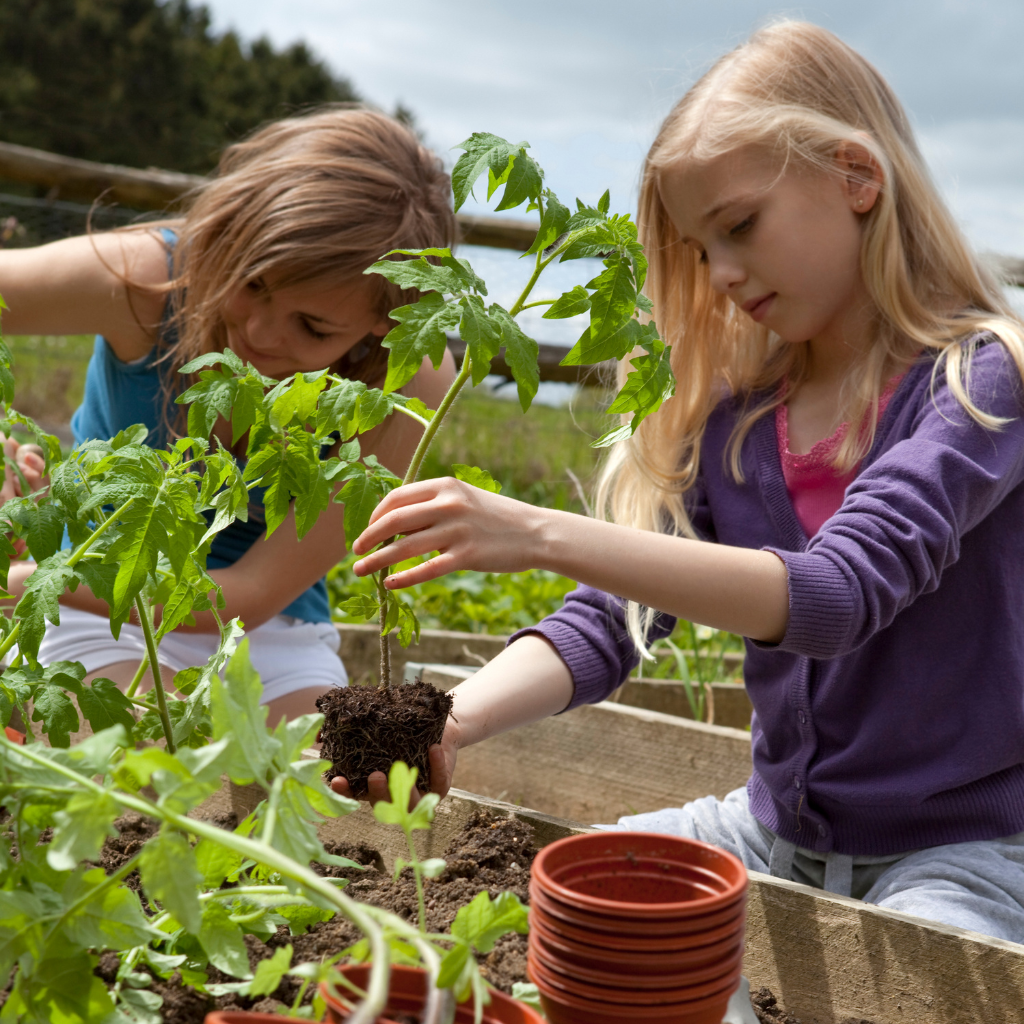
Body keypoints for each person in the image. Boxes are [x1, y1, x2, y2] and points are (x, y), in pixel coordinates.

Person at [335, 22, 1024, 941]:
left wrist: (536, 531)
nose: (725, 276)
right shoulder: (738, 422)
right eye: (702, 251)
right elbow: (607, 622)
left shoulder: (978, 386)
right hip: (771, 830)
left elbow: (838, 596)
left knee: (917, 978)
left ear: (858, 177)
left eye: (739, 226)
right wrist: (453, 722)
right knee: (568, 915)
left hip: (967, 857)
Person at [0, 106, 457, 725]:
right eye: (254, 283)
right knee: (149, 761)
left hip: (263, 626)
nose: (261, 332)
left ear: (384, 322)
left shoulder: (411, 379)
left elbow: (252, 592)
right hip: (90, 605)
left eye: (313, 326)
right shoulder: (150, 280)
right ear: (229, 237)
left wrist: (24, 580)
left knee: (318, 788)